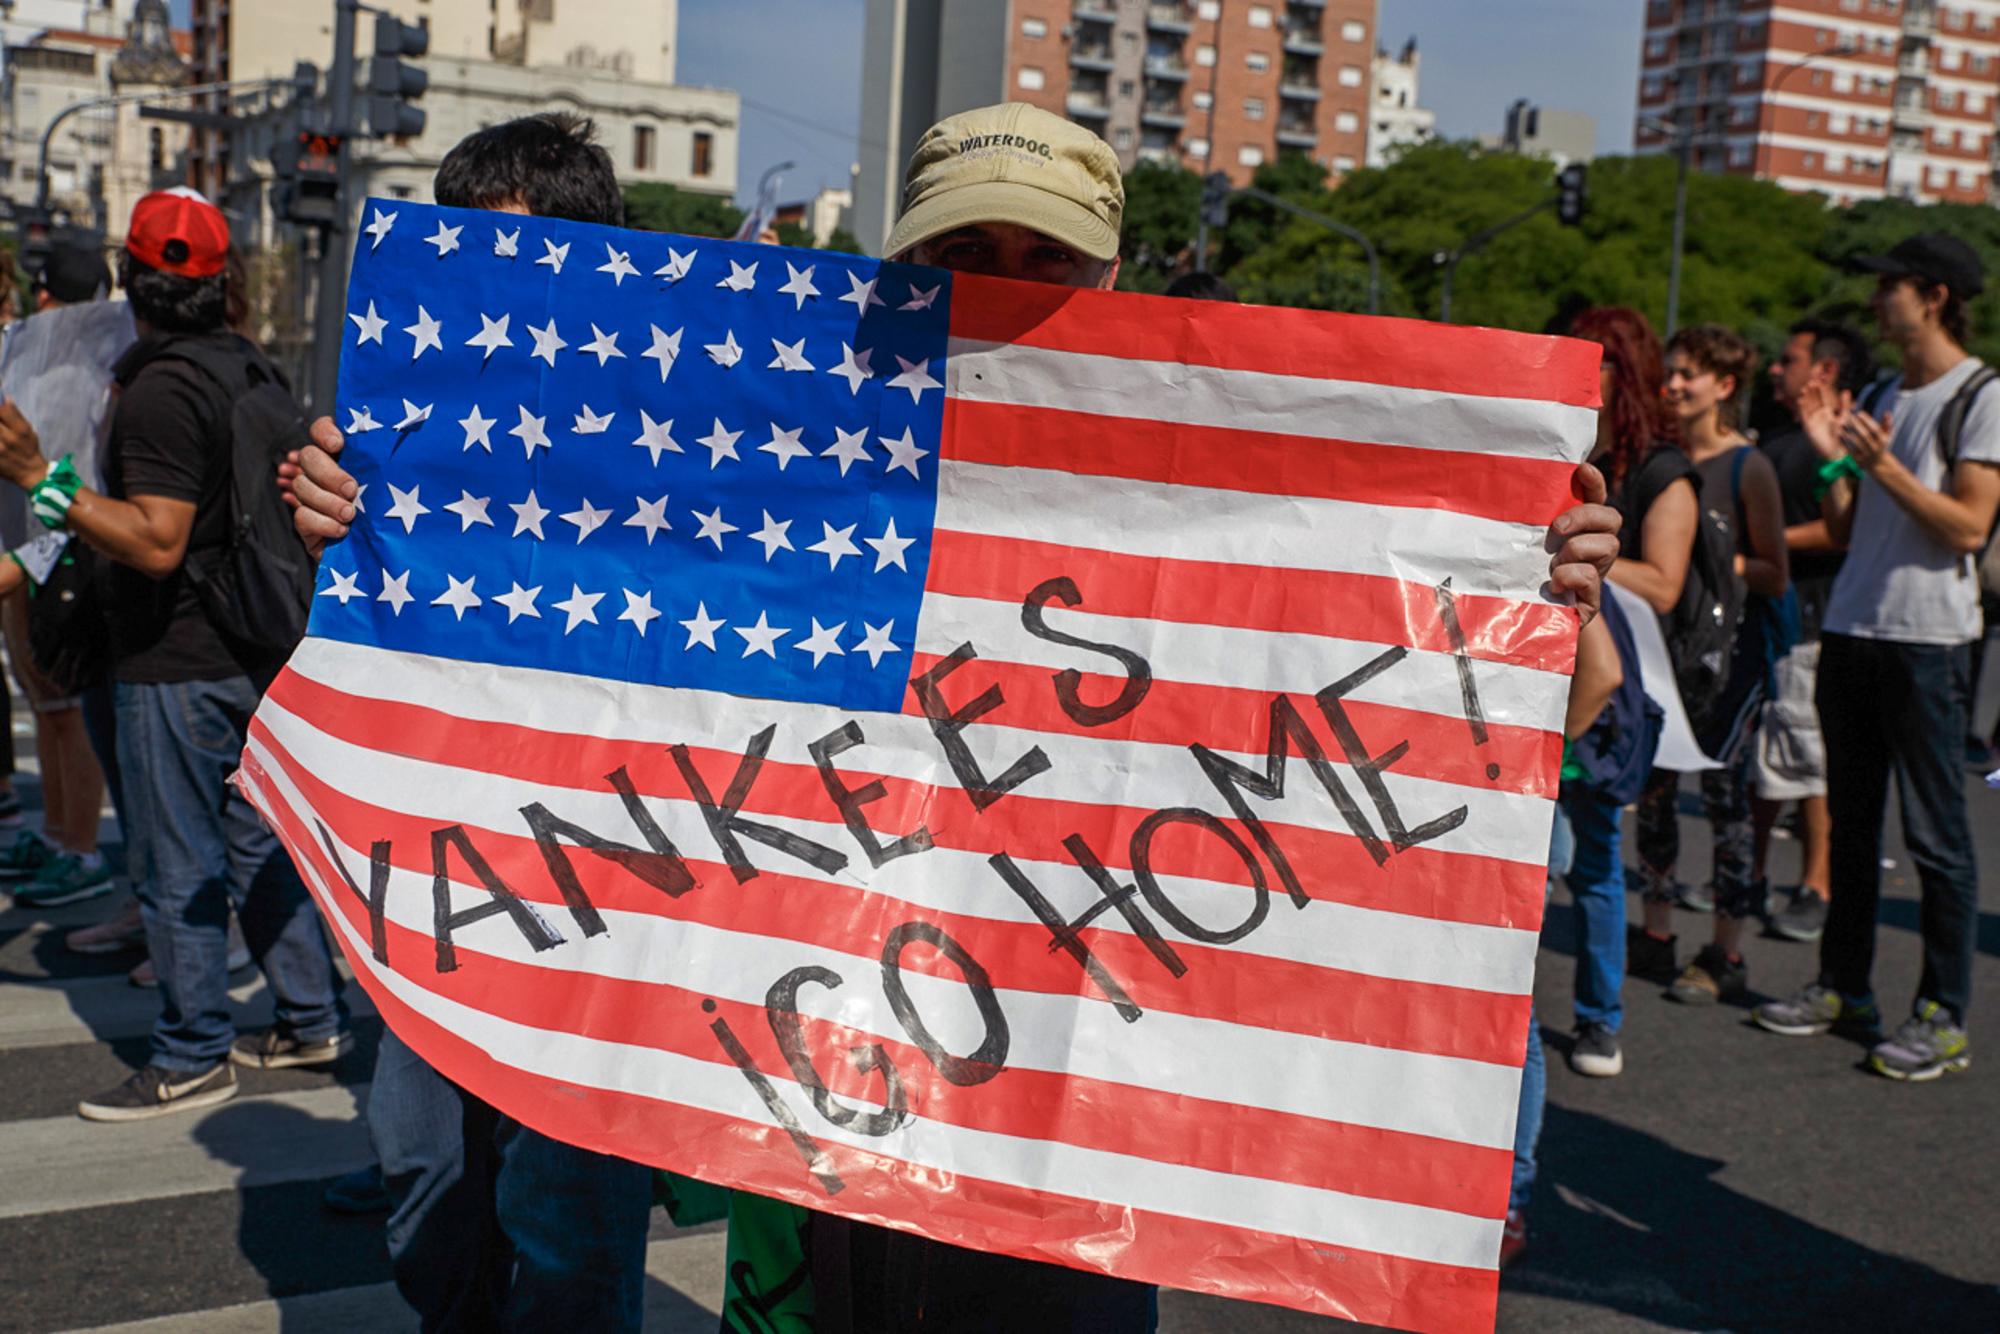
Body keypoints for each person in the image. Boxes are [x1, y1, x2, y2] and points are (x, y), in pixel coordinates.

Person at [287, 103, 1625, 1330]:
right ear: (903, 257)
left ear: (1109, 272)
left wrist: (1541, 597)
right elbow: (614, 607)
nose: (1005, 281)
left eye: (1043, 256)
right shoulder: (796, 428)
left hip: (1067, 1111)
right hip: (818, 1081)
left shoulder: (1224, 458)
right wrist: (377, 532)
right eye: (966, 247)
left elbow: (1524, 714)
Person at [0, 187, 351, 1122]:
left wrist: (43, 478)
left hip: (176, 656)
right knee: (253, 847)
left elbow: (156, 539)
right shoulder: (247, 366)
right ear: (222, 279)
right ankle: (312, 1017)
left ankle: (193, 1048)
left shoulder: (158, 386)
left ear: (130, 276)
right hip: (251, 646)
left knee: (178, 859)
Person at [1756, 234, 1996, 1082]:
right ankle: (1842, 986)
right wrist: (1835, 459)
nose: (1875, 302)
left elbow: (1967, 525)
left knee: (1935, 837)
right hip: (1857, 627)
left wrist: (1883, 463)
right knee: (1852, 828)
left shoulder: (1983, 395)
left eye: (1889, 287)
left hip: (1930, 639)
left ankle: (1942, 1013)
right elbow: (1858, 527)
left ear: (1933, 296)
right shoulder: (1892, 388)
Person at [1559, 306, 1695, 1079]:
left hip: (1613, 691)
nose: (1582, 371)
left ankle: (1599, 1020)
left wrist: (1583, 552)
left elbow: (1668, 586)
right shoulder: (1568, 451)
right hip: (1560, 677)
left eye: (1598, 360)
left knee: (1597, 868)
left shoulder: (1661, 469)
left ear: (1627, 372)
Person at [1637, 325, 1788, 1005]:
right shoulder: (1661, 460)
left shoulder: (1746, 465)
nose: (1672, 385)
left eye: (1687, 374)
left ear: (1724, 387)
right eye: (1669, 372)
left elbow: (1775, 573)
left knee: (1727, 807)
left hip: (1729, 665)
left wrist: (1703, 565)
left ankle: (1726, 948)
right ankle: (1656, 931)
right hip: (1663, 653)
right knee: (1656, 799)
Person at [1504, 605, 1632, 1267]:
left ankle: (1507, 1203)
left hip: (1510, 816)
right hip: (1501, 812)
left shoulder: (1530, 531)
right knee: (1503, 1017)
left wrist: (1520, 768)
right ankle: (1505, 1206)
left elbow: (1602, 670)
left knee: (1505, 1019)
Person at [0, 239, 115, 907]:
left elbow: (63, 474)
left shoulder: (55, 369)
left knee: (64, 709)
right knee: (51, 707)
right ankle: (56, 835)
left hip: (48, 552)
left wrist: (24, 558)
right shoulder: (92, 360)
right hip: (37, 547)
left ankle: (79, 846)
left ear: (43, 298)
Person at [1753, 318, 1870, 944]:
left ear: (1823, 370)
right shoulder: (1778, 434)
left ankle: (1815, 886)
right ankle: (1754, 875)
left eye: (1789, 359)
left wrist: (1748, 545)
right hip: (1770, 618)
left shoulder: (1839, 439)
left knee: (1807, 760)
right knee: (1766, 759)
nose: (1777, 368)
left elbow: (1838, 531)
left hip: (1812, 618)